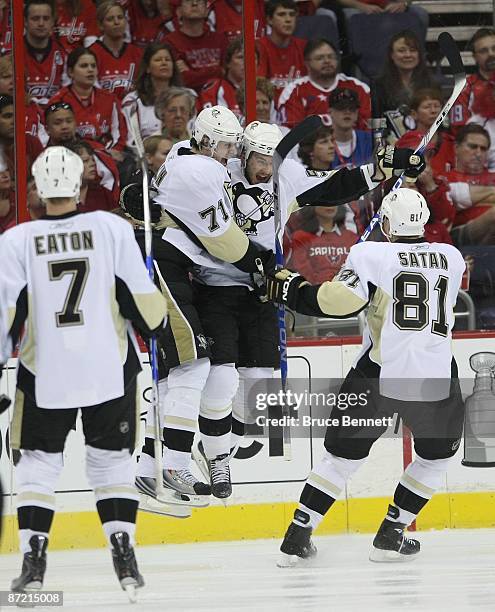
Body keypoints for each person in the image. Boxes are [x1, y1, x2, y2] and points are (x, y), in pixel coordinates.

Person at [133, 113, 426, 504]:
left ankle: (210, 451)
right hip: (213, 288)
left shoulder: (284, 178)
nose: (266, 166)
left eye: (273, 158)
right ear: (243, 151)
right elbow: (180, 185)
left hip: (260, 293)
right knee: (213, 377)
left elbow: (335, 186)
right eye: (259, 157)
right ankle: (203, 459)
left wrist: (386, 167)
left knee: (259, 392)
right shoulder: (219, 171)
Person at [264, 187, 465, 565]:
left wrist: (291, 290)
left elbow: (336, 304)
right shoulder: (451, 258)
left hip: (378, 372)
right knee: (434, 459)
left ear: (386, 222)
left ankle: (297, 536)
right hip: (434, 376)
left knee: (340, 459)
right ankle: (392, 533)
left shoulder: (369, 253)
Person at [0, 146, 167, 598]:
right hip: (109, 369)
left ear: (35, 189)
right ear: (80, 185)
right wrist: (160, 325)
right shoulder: (111, 228)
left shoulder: (15, 241)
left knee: (37, 467)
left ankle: (34, 562)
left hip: (45, 371)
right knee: (111, 465)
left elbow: (6, 317)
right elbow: (142, 300)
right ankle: (124, 554)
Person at [47, 47, 128, 160]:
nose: (90, 70)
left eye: (93, 66)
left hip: (108, 156)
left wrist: (110, 152)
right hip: (72, 157)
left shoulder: (110, 99)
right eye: (84, 66)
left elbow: (120, 134)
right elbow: (54, 136)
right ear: (71, 72)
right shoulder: (59, 101)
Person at [278, 38, 371, 130]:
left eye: (331, 57)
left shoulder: (358, 88)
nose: (327, 61)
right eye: (320, 58)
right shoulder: (294, 91)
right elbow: (291, 135)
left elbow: (368, 128)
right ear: (307, 63)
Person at [442, 123, 495, 246]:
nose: (478, 153)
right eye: (473, 147)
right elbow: (454, 199)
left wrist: (473, 199)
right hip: (459, 236)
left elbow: (461, 201)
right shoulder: (444, 179)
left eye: (483, 149)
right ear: (456, 148)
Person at [373, 30, 438, 129]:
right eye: (401, 51)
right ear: (392, 55)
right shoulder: (378, 85)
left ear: (419, 55)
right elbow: (375, 122)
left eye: (412, 50)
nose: (408, 55)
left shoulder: (432, 84)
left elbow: (441, 119)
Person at [122, 42, 182, 146]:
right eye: (158, 60)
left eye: (167, 60)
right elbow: (132, 141)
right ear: (148, 68)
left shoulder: (187, 97)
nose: (164, 63)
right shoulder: (133, 100)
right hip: (146, 157)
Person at [164, 0, 229, 92]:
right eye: (188, 1)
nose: (194, 3)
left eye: (200, 1)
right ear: (179, 12)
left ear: (207, 11)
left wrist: (192, 72)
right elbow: (182, 79)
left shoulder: (221, 40)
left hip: (218, 97)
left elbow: (228, 74)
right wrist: (217, 70)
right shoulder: (169, 42)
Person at [284, 205, 357, 284]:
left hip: (345, 290)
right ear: (311, 205)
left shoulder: (352, 237)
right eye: (323, 201)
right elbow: (303, 272)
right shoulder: (301, 238)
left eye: (335, 201)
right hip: (314, 291)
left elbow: (356, 268)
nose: (330, 205)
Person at [89, 0, 143, 101]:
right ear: (100, 25)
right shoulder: (91, 53)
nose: (116, 22)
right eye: (110, 19)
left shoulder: (137, 53)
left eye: (120, 17)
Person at [257, 0, 307, 96]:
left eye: (292, 15)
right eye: (281, 14)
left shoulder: (304, 46)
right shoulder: (259, 46)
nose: (288, 19)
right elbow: (260, 85)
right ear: (269, 20)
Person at [24, 0, 68, 106]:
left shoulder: (64, 54)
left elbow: (69, 91)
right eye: (35, 18)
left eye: (46, 18)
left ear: (52, 22)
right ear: (25, 22)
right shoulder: (13, 53)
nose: (41, 23)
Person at [198, 36, 244, 117]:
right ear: (228, 63)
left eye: (253, 58)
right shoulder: (214, 89)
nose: (247, 62)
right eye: (240, 57)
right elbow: (213, 124)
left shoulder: (264, 89)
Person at [328, 87, 373, 168]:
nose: (347, 112)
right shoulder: (321, 145)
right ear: (330, 112)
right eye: (341, 108)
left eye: (352, 109)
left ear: (357, 113)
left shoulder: (371, 140)